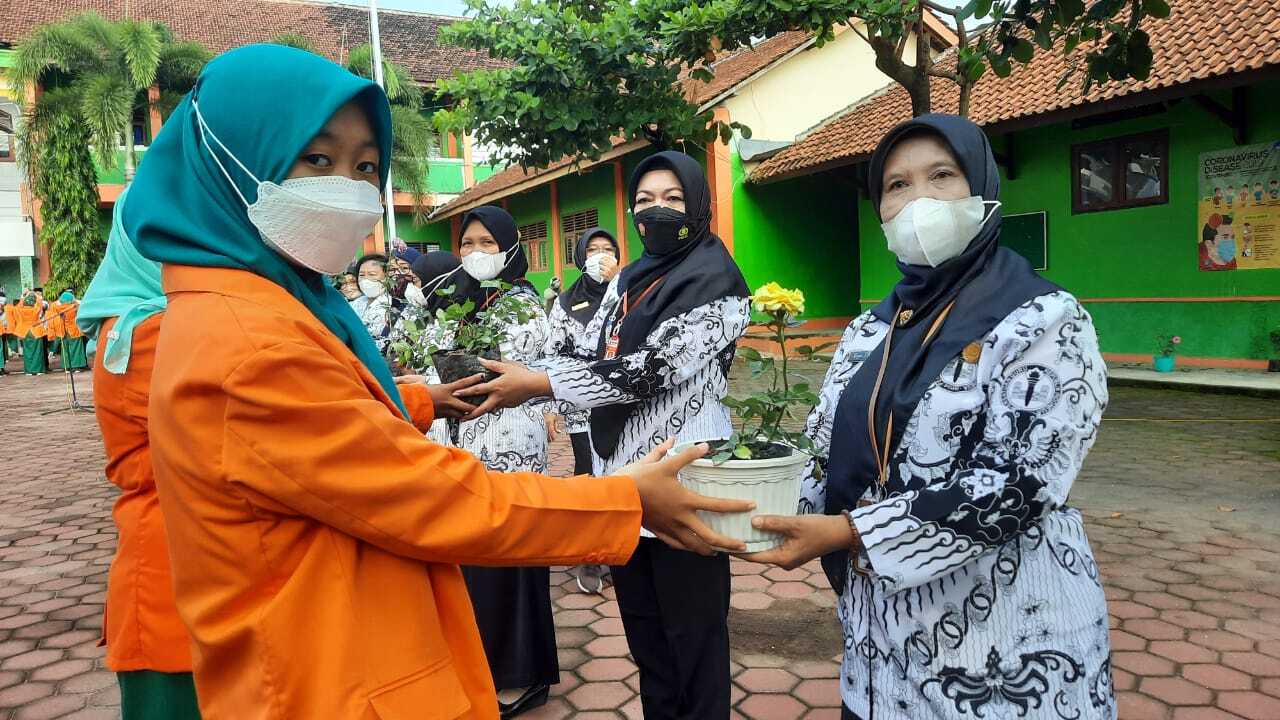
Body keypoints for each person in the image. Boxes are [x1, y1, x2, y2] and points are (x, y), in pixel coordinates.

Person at [122, 44, 750, 720]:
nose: (348, 190)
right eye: (318, 160)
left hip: (655, 469)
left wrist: (436, 397)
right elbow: (424, 494)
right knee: (654, 645)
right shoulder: (248, 340)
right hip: (328, 675)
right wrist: (619, 501)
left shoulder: (276, 307)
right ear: (230, 159)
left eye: (366, 167)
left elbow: (337, 422)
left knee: (691, 644)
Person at [742, 114, 1113, 720]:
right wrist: (747, 512)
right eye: (897, 185)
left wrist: (851, 534)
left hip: (1008, 650)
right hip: (878, 655)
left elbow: (1023, 483)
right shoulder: (870, 329)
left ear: (981, 188)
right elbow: (822, 452)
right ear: (881, 210)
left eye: (942, 176)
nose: (919, 200)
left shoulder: (1044, 320)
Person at [460, 150, 753, 720]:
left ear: (699, 205)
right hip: (621, 479)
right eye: (645, 200)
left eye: (673, 198)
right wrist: (516, 376)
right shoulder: (628, 280)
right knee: (647, 639)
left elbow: (652, 370)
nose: (657, 210)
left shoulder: (720, 286)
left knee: (693, 640)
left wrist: (540, 381)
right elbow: (589, 351)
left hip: (684, 476)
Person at [78, 190, 199, 719]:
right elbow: (278, 414)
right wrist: (417, 401)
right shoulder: (147, 333)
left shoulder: (161, 322)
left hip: (194, 576)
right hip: (177, 592)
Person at [545, 226, 622, 594]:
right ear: (580, 257)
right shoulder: (565, 302)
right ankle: (590, 554)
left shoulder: (631, 292)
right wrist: (553, 406)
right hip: (581, 405)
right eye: (593, 249)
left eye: (608, 249)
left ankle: (621, 546)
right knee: (589, 472)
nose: (601, 255)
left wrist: (619, 285)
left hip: (623, 401)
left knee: (621, 476)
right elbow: (553, 353)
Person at [352, 252, 394, 351]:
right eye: (362, 275)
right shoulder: (356, 303)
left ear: (387, 277)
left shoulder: (392, 306)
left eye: (372, 274)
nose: (365, 280)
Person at [10, 290, 47, 375]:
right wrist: (35, 295)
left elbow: (18, 306)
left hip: (25, 332)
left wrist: (24, 297)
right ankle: (38, 370)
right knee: (37, 351)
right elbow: (40, 304)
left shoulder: (20, 309)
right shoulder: (35, 309)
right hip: (36, 331)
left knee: (27, 352)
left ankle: (29, 371)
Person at [51, 290, 89, 371]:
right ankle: (76, 366)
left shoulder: (58, 307)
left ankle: (67, 366)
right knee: (76, 348)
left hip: (64, 330)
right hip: (74, 330)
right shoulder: (74, 307)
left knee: (66, 349)